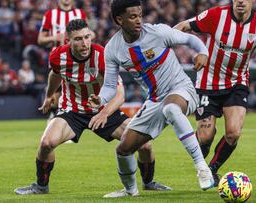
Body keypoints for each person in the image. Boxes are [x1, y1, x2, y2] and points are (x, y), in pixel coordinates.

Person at [14, 19, 170, 195]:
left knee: (145, 145)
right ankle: (41, 187)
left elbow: (120, 95)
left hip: (104, 111)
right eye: (78, 39)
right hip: (72, 111)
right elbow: (55, 74)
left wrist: (104, 113)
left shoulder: (103, 56)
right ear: (68, 41)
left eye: (87, 37)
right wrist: (50, 94)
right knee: (46, 143)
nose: (84, 43)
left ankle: (148, 183)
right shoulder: (58, 56)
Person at [89, 0, 214, 198]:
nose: (139, 20)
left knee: (171, 109)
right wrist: (100, 99)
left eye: (140, 15)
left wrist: (203, 52)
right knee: (123, 149)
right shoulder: (113, 49)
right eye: (132, 17)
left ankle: (202, 167)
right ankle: (130, 191)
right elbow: (110, 86)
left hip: (181, 89)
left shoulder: (159, 32)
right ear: (119, 19)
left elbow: (192, 41)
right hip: (155, 101)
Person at [174, 0, 256, 186]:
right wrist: (162, 41)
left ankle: (212, 169)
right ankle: (202, 152)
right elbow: (184, 26)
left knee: (233, 133)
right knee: (205, 137)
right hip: (207, 83)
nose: (240, 1)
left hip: (236, 84)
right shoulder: (216, 16)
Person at [38, 0, 88, 119]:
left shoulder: (80, 13)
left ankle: (67, 122)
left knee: (73, 92)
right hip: (58, 59)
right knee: (55, 94)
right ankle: (53, 118)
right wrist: (54, 37)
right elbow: (40, 39)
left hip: (78, 59)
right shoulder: (50, 14)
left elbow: (90, 33)